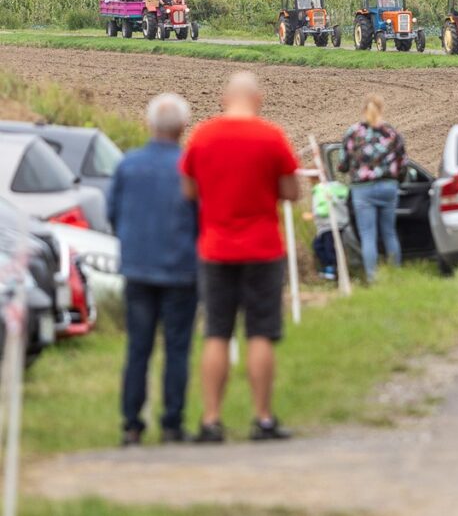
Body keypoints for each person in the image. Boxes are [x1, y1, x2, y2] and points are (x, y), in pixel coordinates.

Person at [181, 72, 300, 443]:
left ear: (222, 98)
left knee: (217, 332)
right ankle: (263, 418)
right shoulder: (271, 136)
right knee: (260, 333)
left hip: (215, 248)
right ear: (258, 99)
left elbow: (188, 190)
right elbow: (292, 191)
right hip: (263, 247)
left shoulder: (202, 136)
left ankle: (212, 420)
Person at [108, 93, 198, 447]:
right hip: (180, 268)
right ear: (183, 127)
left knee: (138, 348)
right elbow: (201, 217)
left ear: (149, 125)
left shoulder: (128, 164)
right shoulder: (190, 166)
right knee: (177, 348)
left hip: (138, 267)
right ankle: (172, 423)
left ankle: (132, 425)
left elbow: (112, 212)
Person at [339, 95, 407, 282]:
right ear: (381, 108)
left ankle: (373, 278)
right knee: (389, 233)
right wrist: (397, 180)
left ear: (363, 109)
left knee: (368, 236)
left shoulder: (353, 133)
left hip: (363, 189)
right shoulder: (391, 132)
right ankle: (395, 276)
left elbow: (342, 164)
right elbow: (403, 163)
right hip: (388, 186)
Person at [308, 174, 349, 281]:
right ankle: (332, 269)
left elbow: (324, 208)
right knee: (322, 246)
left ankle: (333, 271)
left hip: (328, 225)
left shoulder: (321, 189)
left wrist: (313, 214)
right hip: (338, 222)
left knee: (326, 248)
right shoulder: (338, 187)